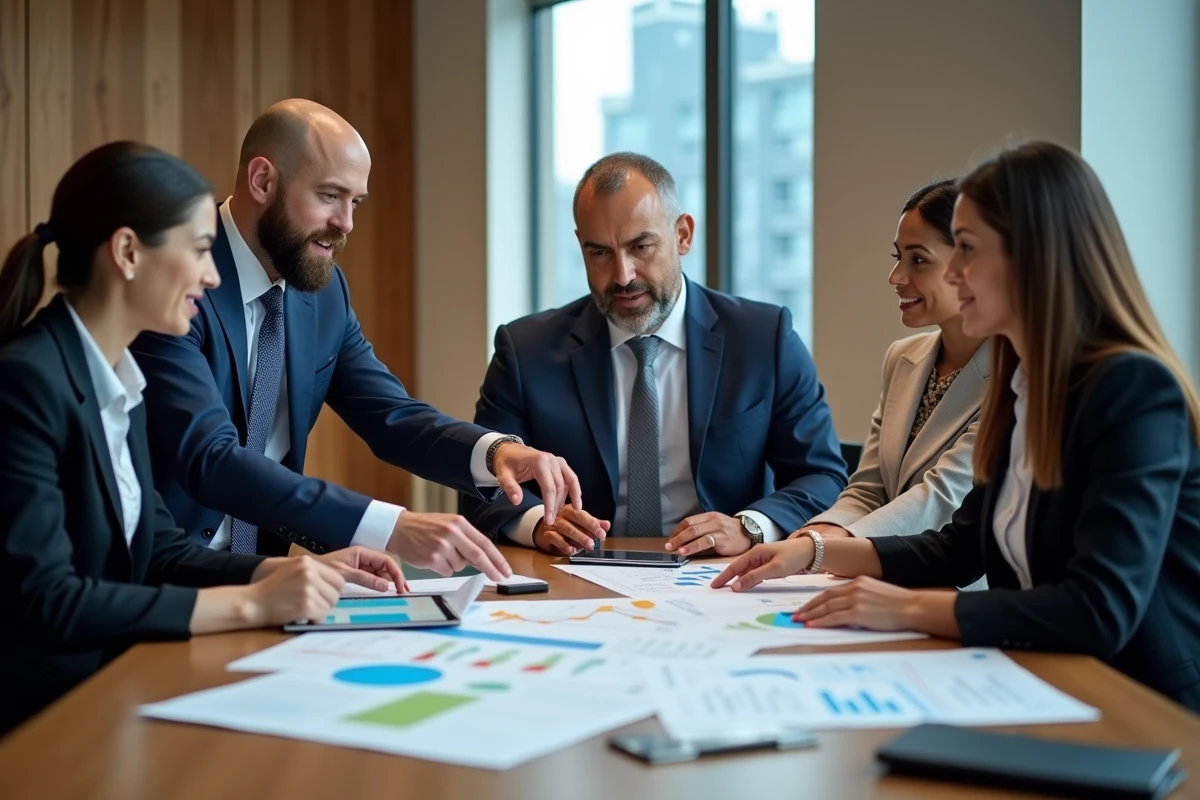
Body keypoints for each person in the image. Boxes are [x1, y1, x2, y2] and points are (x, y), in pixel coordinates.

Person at [714, 142, 1200, 711]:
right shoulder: (1023, 385)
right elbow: (958, 550)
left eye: (965, 249)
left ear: (1032, 257)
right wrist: (811, 552)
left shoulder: (1131, 388)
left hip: (1142, 706)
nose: (951, 272)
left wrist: (905, 608)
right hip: (1040, 680)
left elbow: (1098, 609)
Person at [0, 142, 405, 735]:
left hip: (119, 691)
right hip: (47, 721)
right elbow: (48, 600)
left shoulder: (119, 380)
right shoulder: (26, 383)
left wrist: (281, 575)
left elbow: (158, 552)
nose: (213, 275)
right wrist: (250, 604)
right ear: (128, 253)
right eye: (197, 251)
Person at [131, 99, 581, 579]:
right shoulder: (178, 280)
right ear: (262, 181)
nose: (346, 223)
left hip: (265, 577)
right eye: (330, 195)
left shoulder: (323, 293)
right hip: (161, 577)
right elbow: (212, 458)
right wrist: (389, 526)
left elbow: (391, 415)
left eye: (355, 202)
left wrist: (496, 453)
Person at [463, 152, 846, 557]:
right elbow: (482, 482)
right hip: (578, 575)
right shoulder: (525, 350)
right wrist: (539, 523)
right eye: (599, 253)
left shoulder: (764, 339)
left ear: (683, 235)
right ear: (580, 246)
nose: (623, 276)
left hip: (723, 577)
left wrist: (749, 526)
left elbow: (821, 476)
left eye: (641, 246)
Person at [798, 181, 989, 552]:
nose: (896, 277)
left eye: (918, 259)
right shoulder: (903, 357)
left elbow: (941, 498)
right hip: (878, 569)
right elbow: (869, 488)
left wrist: (820, 551)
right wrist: (817, 533)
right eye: (897, 257)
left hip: (959, 588)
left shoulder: (1020, 375)